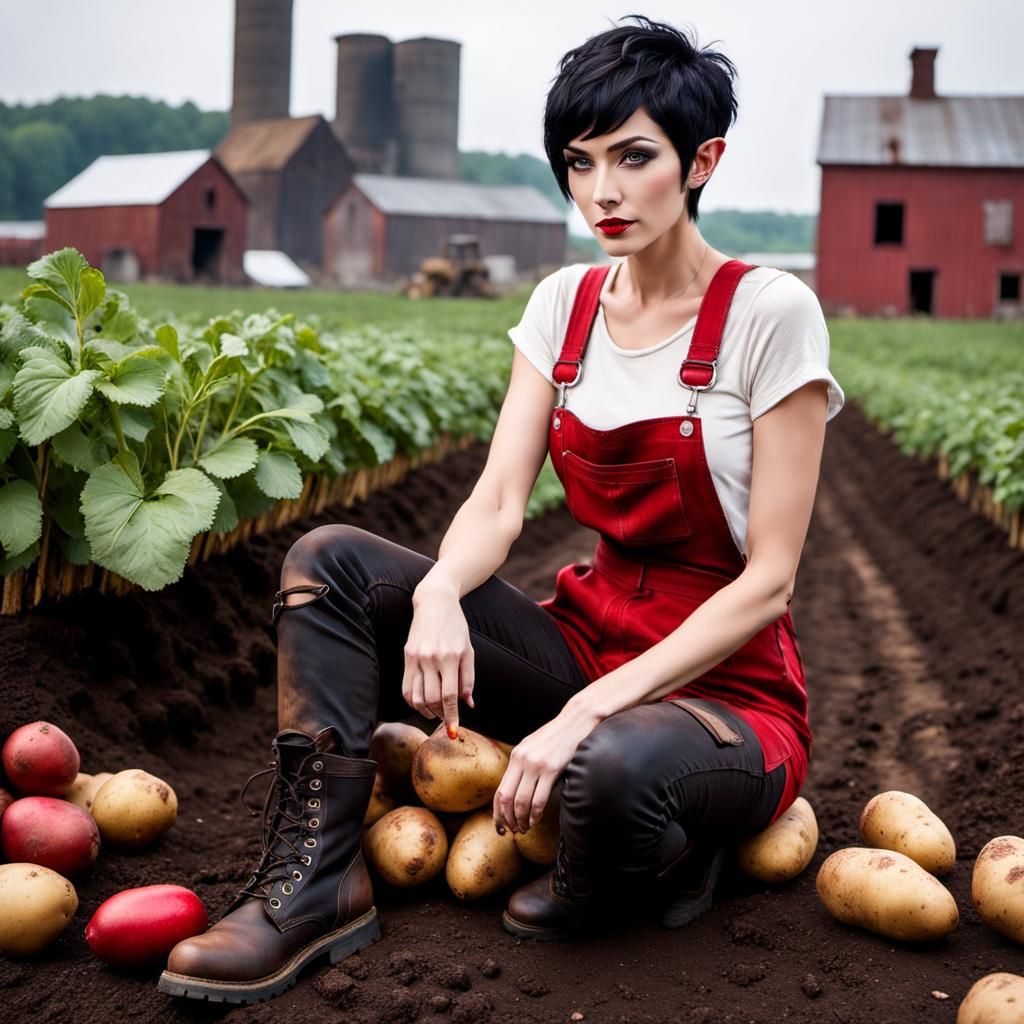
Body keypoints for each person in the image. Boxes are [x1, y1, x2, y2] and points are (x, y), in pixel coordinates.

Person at [159, 13, 845, 1005]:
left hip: (724, 690)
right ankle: (313, 884)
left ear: (702, 161)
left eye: (632, 157)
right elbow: (494, 500)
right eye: (578, 163)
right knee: (331, 558)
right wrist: (440, 590)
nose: (600, 191)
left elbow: (769, 579)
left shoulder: (769, 314)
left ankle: (666, 844)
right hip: (587, 637)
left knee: (607, 767)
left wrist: (581, 712)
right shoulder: (561, 306)